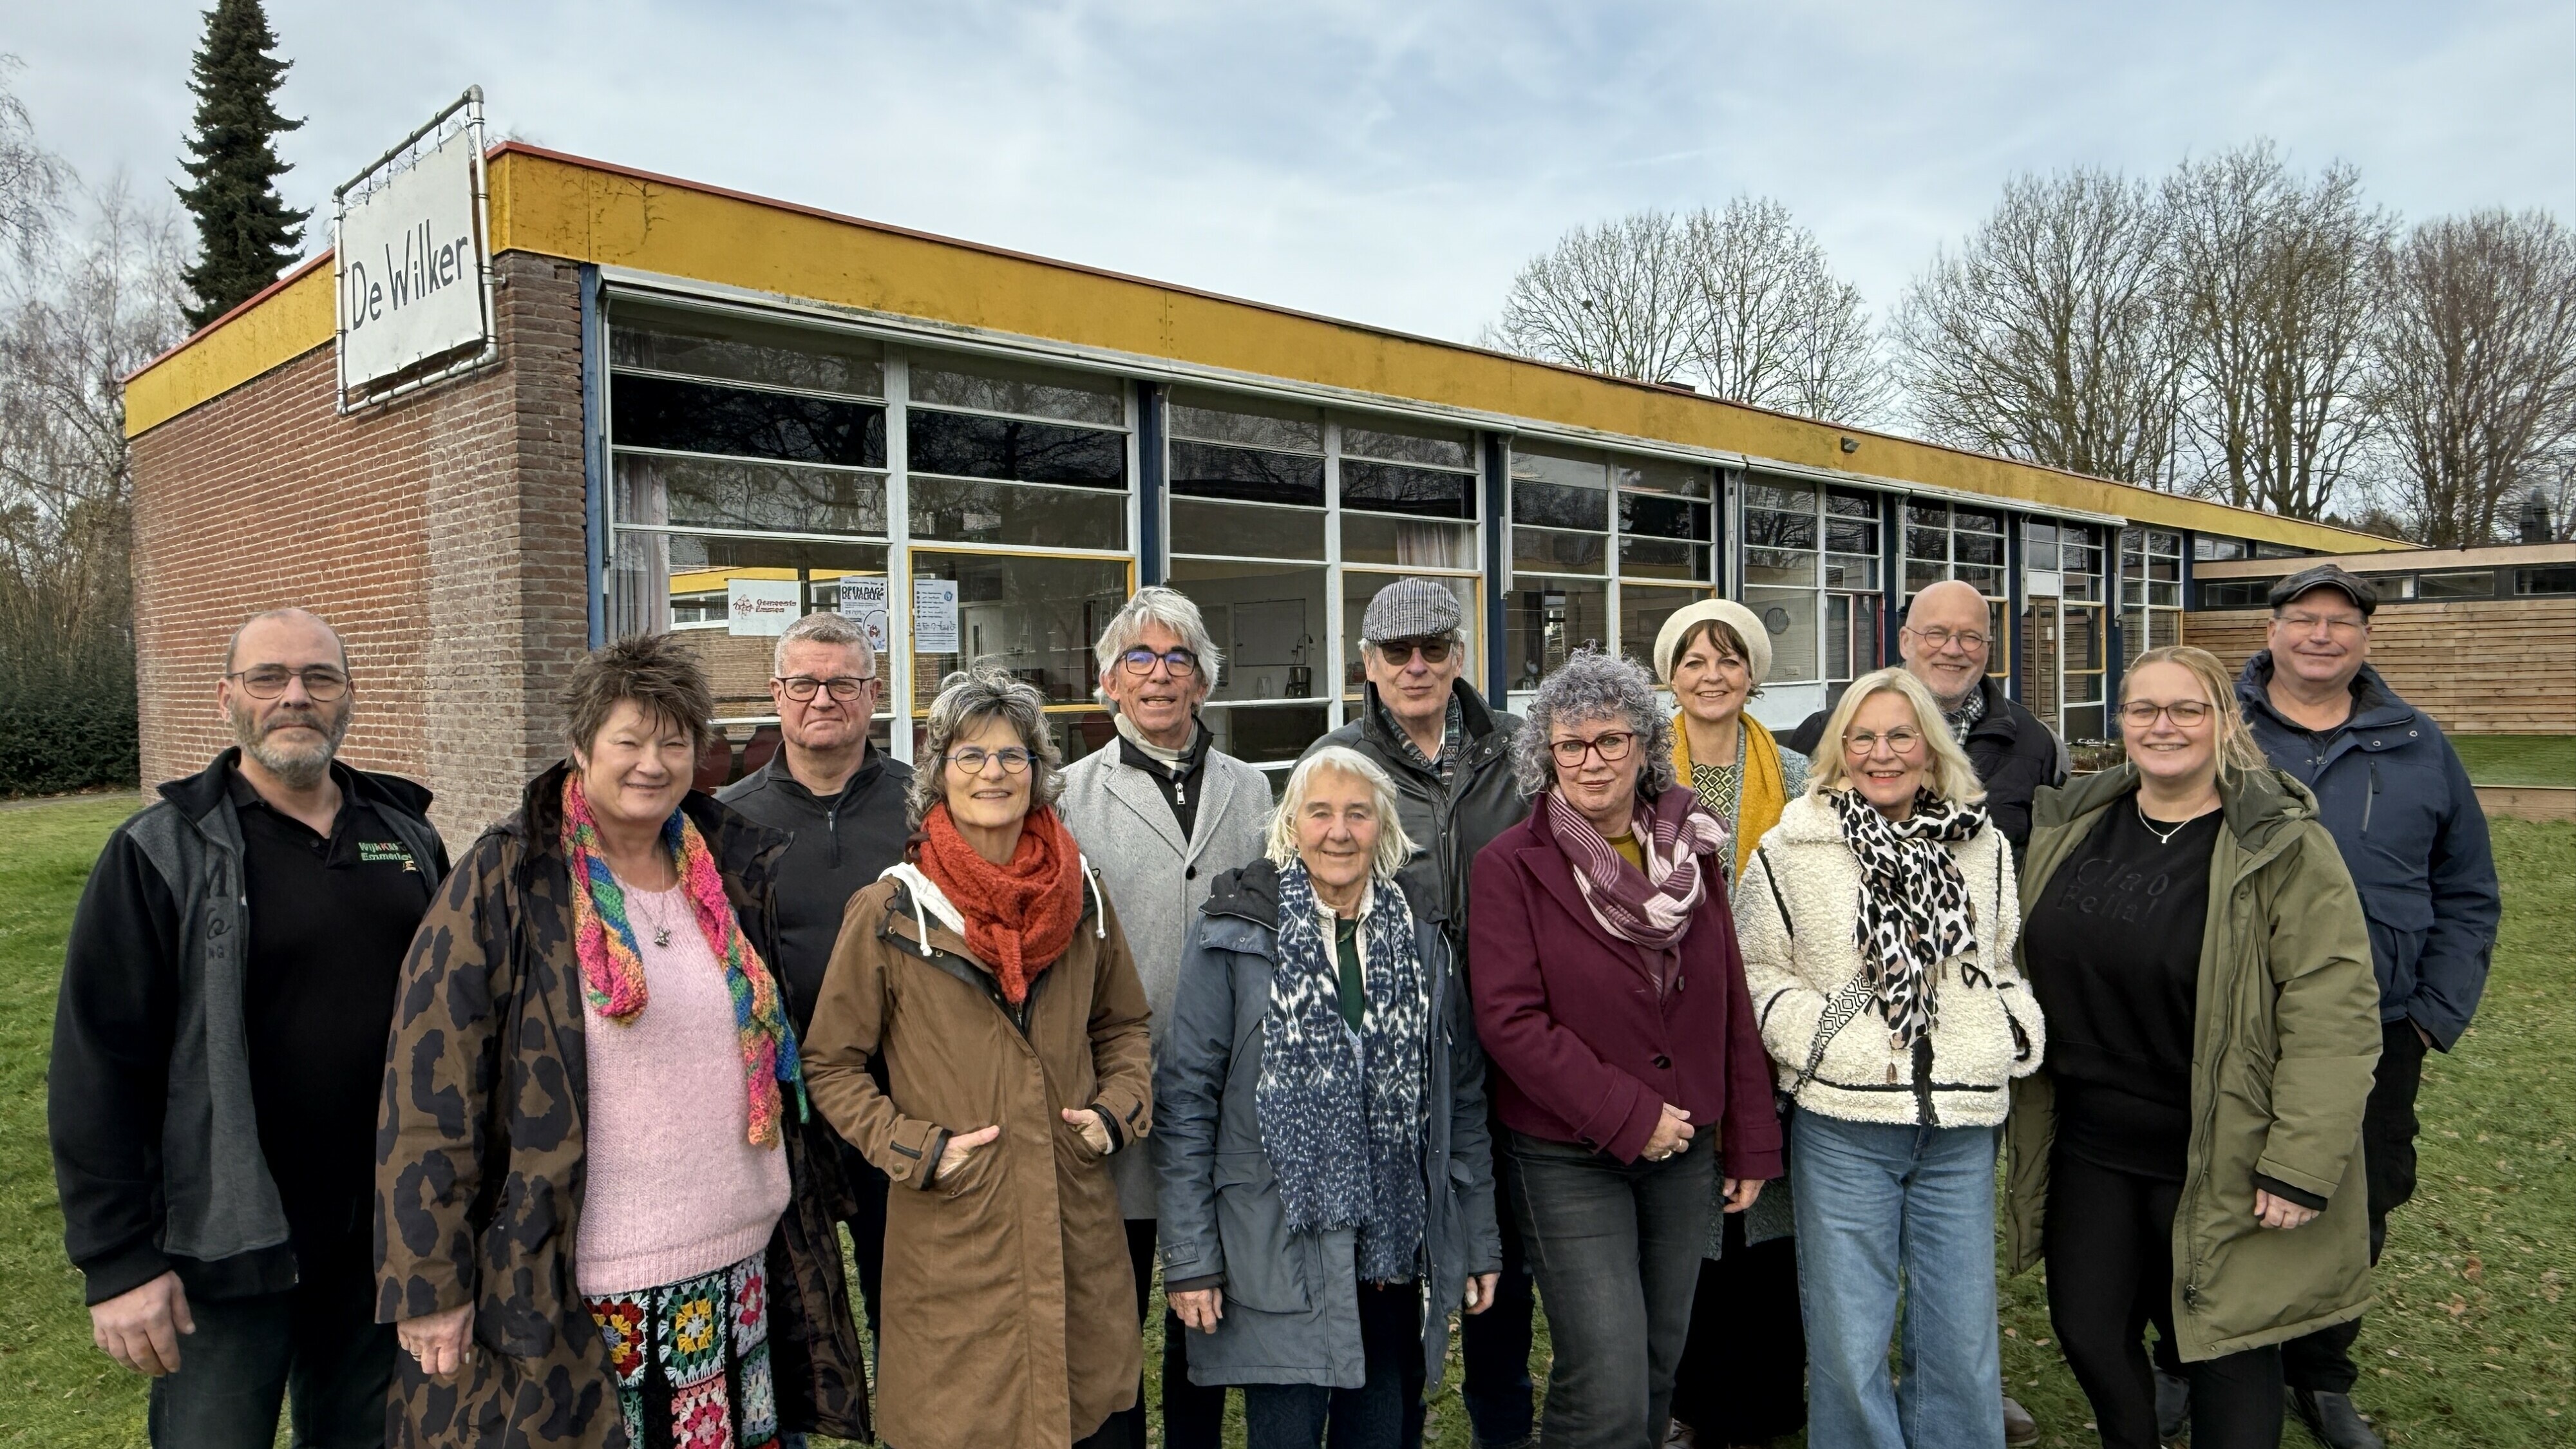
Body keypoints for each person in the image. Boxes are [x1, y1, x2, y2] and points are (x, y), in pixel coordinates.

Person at [377, 634, 867, 1449]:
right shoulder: (509, 880)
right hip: (586, 1292)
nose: (652, 764)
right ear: (581, 747)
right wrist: (428, 1280)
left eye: (674, 743)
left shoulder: (726, 870)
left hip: (739, 1268)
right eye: (629, 741)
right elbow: (430, 1089)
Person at [50, 609, 448, 1449]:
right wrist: (118, 1261)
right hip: (224, 1247)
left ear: (349, 695)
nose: (295, 696)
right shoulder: (161, 852)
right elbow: (99, 1063)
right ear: (227, 696)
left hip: (381, 1243)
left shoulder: (406, 836)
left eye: (319, 677)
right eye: (269, 677)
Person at [2007, 645, 2382, 1449]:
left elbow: (2334, 1010)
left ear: (2224, 722)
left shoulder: (2281, 846)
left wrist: (2300, 1162)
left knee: (2227, 1348)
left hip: (2222, 1143)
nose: (2163, 726)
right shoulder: (2072, 824)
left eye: (2186, 709)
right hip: (2091, 1139)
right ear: (2120, 721)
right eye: (2143, 708)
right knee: (2087, 1327)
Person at [804, 667, 1154, 1449]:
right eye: (970, 755)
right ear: (939, 774)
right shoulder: (892, 911)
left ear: (1036, 772)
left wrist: (1115, 1115)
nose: (992, 772)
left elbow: (1124, 1024)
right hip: (961, 1230)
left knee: (1086, 1415)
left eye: (1011, 755)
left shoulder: (1082, 895)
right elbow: (830, 1063)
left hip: (1071, 1214)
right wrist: (916, 1148)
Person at [1469, 649, 1781, 1449]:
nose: (1592, 760)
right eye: (1571, 745)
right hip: (1567, 1154)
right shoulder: (1509, 866)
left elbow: (1728, 998)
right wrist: (1632, 1115)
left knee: (1654, 1366)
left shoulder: (1691, 851)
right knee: (1604, 1379)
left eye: (1611, 739)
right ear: (1546, 756)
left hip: (1685, 1150)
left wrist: (1748, 1136)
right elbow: (1508, 1020)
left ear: (1644, 746)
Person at [1781, 578, 2066, 1444]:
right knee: (1849, 1332)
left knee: (1960, 1333)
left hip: (1959, 1119)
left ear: (1930, 746)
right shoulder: (1793, 845)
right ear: (1838, 746)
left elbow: (2003, 959)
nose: (1883, 752)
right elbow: (1760, 967)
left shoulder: (1982, 845)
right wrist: (1819, 1039)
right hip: (1847, 1114)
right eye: (1864, 737)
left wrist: (2007, 1031)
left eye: (1901, 735)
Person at [1154, 746, 1502, 1448]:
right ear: (1291, 826)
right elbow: (1186, 1103)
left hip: (1391, 1255)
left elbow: (1459, 1102)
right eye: (1319, 813)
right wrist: (1191, 1258)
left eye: (1357, 814)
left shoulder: (1423, 935)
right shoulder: (1234, 933)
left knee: (1380, 1432)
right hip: (1272, 1248)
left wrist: (1479, 1240)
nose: (1338, 832)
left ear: (1384, 828)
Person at [2233, 565, 2501, 1449]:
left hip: (2379, 1027)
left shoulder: (2417, 743)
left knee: (2357, 1200)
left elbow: (2468, 888)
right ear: (2272, 630)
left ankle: (2320, 1372)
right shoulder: (2219, 729)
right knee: (2212, 1185)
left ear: (2366, 639)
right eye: (2303, 617)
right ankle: (2191, 1362)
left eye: (2341, 621)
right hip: (2235, 1021)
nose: (2321, 634)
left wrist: (2429, 1014)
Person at [1305, 576, 1536, 1449]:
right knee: (1391, 1273)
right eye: (1395, 651)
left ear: (1458, 656)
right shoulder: (1339, 761)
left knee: (1503, 1263)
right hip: (1392, 1060)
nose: (1415, 666)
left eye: (1432, 648)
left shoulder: (1516, 750)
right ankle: (1392, 1425)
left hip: (1513, 1046)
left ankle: (1501, 1427)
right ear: (1367, 663)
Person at [1061, 586, 1269, 1448]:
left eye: (1177, 657)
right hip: (1111, 1095)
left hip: (1224, 1102)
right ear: (1110, 681)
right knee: (1109, 1319)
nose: (1158, 674)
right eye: (1138, 658)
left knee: (1206, 1316)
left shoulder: (1254, 791)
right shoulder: (1068, 795)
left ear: (1203, 681)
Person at [716, 611, 913, 1350]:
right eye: (803, 684)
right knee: (789, 1309)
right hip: (781, 1108)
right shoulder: (727, 823)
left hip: (900, 1096)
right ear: (776, 694)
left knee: (906, 1297)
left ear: (873, 694)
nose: (822, 699)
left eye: (842, 684)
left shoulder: (925, 808)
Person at [1649, 600, 1809, 1449]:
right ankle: (1689, 1397)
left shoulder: (1798, 773)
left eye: (1729, 659)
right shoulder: (1642, 771)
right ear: (1670, 676)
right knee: (1692, 1214)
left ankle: (1769, 1398)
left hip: (1775, 1017)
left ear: (1753, 673)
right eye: (1694, 660)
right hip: (1674, 1018)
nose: (1712, 675)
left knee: (1769, 1212)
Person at [1786, 578, 2067, 855]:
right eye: (1936, 634)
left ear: (1987, 649)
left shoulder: (2038, 745)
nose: (1953, 650)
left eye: (1971, 637)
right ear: (1905, 642)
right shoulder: (1826, 732)